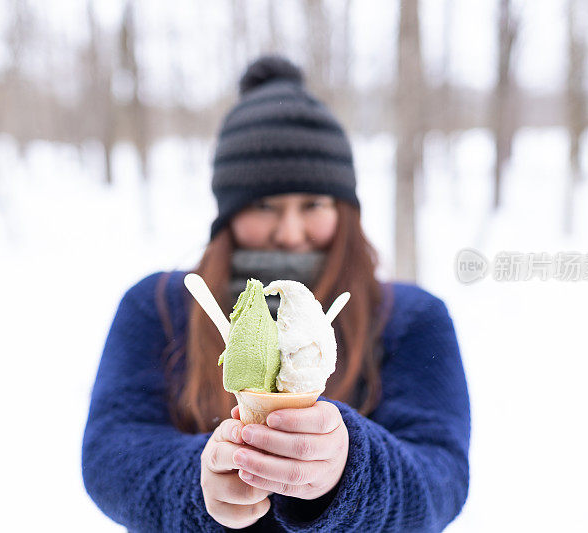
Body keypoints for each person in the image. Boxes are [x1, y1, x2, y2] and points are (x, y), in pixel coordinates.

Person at [82, 55, 470, 532]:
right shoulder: (160, 305)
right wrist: (201, 477)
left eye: (313, 204)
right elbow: (111, 453)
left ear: (345, 210)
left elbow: (442, 477)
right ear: (226, 213)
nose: (290, 232)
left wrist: (350, 469)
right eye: (264, 205)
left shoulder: (409, 317)